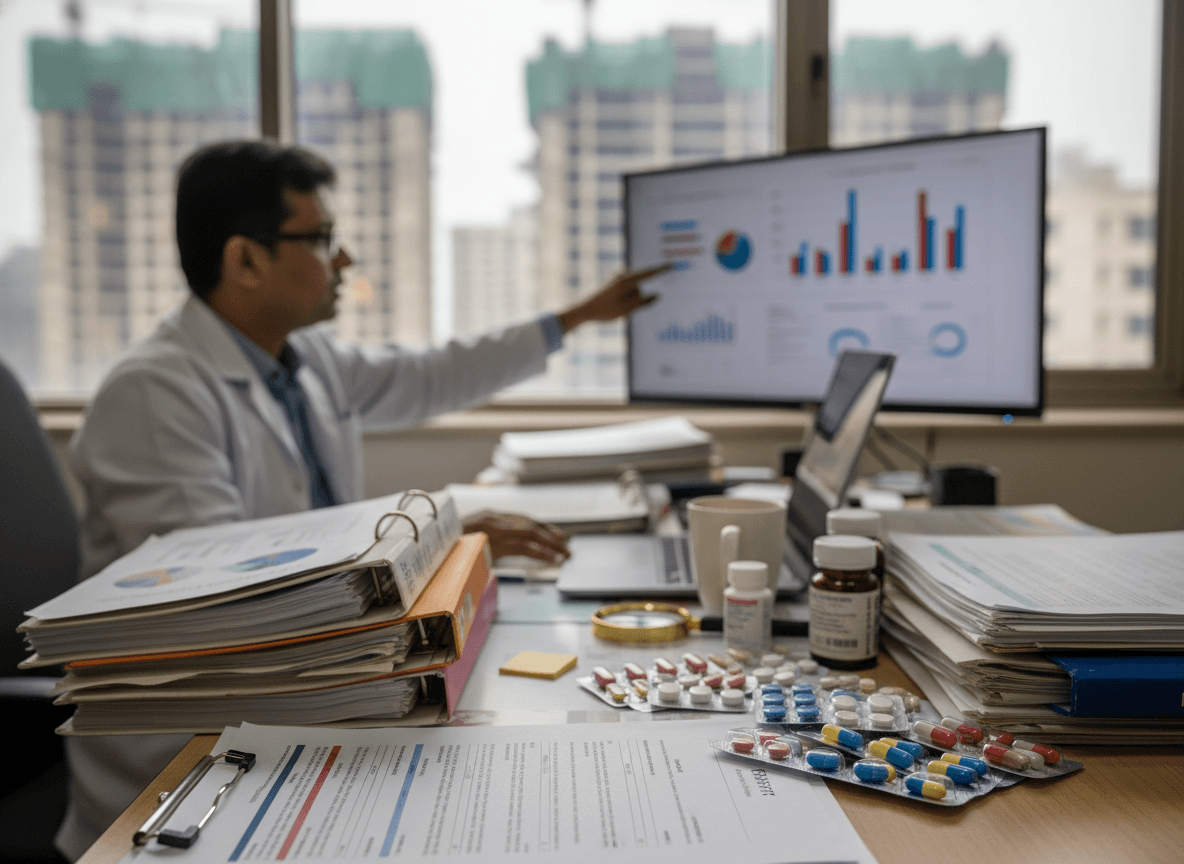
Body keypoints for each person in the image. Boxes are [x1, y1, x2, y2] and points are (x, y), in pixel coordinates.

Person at [56, 139, 669, 860]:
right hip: (191, 768)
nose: (343, 261)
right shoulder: (155, 394)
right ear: (245, 261)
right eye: (320, 239)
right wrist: (445, 529)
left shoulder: (304, 359)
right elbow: (229, 603)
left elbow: (431, 374)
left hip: (306, 698)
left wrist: (573, 318)